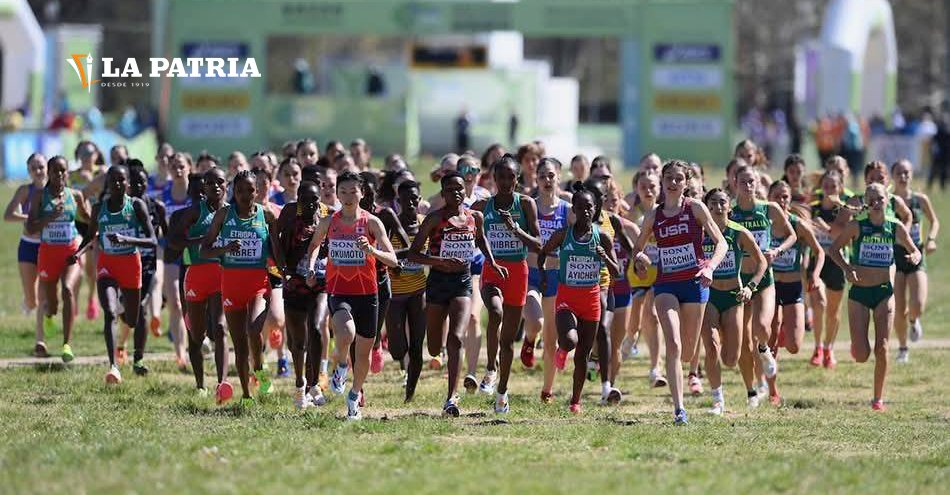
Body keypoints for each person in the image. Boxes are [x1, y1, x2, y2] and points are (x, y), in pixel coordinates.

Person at [631, 160, 727, 424]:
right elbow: (637, 248)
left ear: (686, 183)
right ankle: (679, 409)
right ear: (662, 181)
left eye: (678, 179)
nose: (673, 183)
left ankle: (691, 376)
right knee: (673, 344)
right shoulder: (654, 215)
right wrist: (640, 259)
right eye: (668, 178)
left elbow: (721, 243)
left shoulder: (695, 208)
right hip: (666, 285)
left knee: (687, 353)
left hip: (695, 284)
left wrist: (710, 267)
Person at [304, 171, 398, 420]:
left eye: (352, 191)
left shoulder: (372, 223)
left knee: (364, 355)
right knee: (346, 333)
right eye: (342, 191)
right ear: (337, 193)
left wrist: (372, 251)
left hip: (367, 294)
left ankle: (354, 395)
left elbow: (393, 259)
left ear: (362, 193)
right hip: (339, 290)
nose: (347, 197)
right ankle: (342, 365)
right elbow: (314, 245)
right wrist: (311, 267)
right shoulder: (329, 222)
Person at [408, 171, 499, 416]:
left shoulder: (474, 217)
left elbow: (481, 240)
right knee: (434, 346)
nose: (456, 193)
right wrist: (440, 262)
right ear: (443, 193)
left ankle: (451, 397)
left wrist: (492, 262)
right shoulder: (434, 219)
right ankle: (438, 353)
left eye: (459, 188)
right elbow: (413, 254)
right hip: (438, 283)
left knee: (457, 337)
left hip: (462, 282)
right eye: (450, 189)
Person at [828, 183, 921, 411]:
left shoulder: (895, 226)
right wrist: (847, 268)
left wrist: (915, 257)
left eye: (880, 198)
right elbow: (834, 249)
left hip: (883, 292)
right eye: (872, 199)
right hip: (859, 293)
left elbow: (915, 250)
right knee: (862, 355)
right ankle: (857, 345)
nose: (877, 202)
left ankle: (878, 399)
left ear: (887, 200)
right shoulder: (856, 226)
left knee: (883, 347)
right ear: (866, 203)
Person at [200, 170, 285, 405]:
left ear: (257, 191)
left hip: (258, 284)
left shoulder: (266, 215)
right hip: (231, 285)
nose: (245, 195)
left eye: (250, 190)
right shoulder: (223, 215)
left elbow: (276, 250)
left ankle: (259, 368)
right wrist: (225, 248)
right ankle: (246, 395)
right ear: (233, 192)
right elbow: (204, 250)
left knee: (254, 330)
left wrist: (285, 273)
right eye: (240, 191)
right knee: (239, 344)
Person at [537, 182, 621, 413]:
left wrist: (605, 257)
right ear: (573, 209)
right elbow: (542, 254)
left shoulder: (602, 237)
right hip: (567, 298)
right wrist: (543, 277)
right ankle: (562, 349)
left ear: (595, 209)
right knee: (570, 341)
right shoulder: (563, 234)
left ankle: (575, 401)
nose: (585, 211)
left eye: (589, 207)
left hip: (591, 300)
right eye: (581, 207)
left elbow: (616, 272)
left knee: (583, 355)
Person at [70, 165, 156, 383]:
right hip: (107, 264)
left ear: (127, 183)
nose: (117, 184)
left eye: (121, 180)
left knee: (133, 319)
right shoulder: (99, 208)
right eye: (113, 180)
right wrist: (77, 254)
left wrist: (127, 240)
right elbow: (90, 237)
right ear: (107, 184)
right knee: (109, 312)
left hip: (131, 264)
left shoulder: (135, 205)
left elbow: (152, 240)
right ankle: (113, 366)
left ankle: (137, 357)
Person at [471, 155, 542, 414]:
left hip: (518, 273)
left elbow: (538, 243)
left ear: (517, 178)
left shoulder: (526, 204)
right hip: (492, 268)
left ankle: (502, 391)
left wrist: (515, 230)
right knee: (495, 311)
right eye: (500, 177)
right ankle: (491, 368)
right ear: (493, 179)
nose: (505, 182)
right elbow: (469, 233)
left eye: (510, 177)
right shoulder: (483, 205)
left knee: (508, 341)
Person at [730, 165, 796, 407]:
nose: (748, 186)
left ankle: (764, 348)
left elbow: (792, 235)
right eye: (744, 181)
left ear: (758, 183)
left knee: (761, 327)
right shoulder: (729, 212)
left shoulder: (769, 209)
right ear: (735, 183)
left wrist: (777, 251)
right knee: (742, 342)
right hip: (739, 281)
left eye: (752, 181)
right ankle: (752, 390)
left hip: (764, 278)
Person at [698, 188, 766, 415]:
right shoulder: (700, 232)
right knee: (711, 346)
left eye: (722, 202)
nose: (718, 207)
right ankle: (717, 400)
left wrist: (750, 287)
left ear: (729, 206)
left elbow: (762, 263)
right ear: (706, 206)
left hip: (733, 297)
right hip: (708, 296)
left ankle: (751, 387)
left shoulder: (739, 232)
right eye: (713, 203)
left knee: (730, 358)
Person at [170, 167, 232, 402]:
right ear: (204, 188)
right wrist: (200, 241)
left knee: (220, 327)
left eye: (220, 182)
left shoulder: (233, 212)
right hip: (196, 274)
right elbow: (174, 241)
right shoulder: (196, 211)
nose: (215, 186)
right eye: (210, 183)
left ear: (227, 186)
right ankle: (200, 385)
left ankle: (222, 384)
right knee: (197, 335)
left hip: (222, 274)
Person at [26, 156, 90, 363]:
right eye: (55, 171)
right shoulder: (39, 196)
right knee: (51, 304)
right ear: (49, 173)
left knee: (68, 290)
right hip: (48, 254)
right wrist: (50, 217)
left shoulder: (75, 195)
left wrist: (98, 222)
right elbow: (30, 227)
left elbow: (88, 218)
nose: (60, 175)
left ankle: (66, 344)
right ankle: (49, 316)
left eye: (63, 170)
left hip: (70, 252)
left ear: (68, 173)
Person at [521, 158, 570, 404]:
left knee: (552, 340)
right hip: (532, 274)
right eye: (542, 176)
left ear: (559, 176)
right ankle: (529, 340)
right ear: (536, 179)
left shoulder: (568, 210)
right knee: (535, 322)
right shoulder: (529, 206)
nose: (547, 180)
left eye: (551, 175)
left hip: (555, 277)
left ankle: (547, 391)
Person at [275, 180, 327, 408]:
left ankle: (314, 383)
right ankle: (300, 385)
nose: (310, 204)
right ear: (298, 201)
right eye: (304, 200)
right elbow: (278, 246)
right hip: (295, 284)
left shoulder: (326, 221)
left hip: (319, 284)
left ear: (319, 199)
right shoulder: (291, 222)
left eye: (314, 199)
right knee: (298, 343)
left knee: (315, 328)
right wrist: (283, 269)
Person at [115, 161, 167, 364]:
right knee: (127, 313)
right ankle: (120, 344)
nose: (138, 186)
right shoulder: (121, 207)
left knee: (141, 310)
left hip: (147, 265)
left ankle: (139, 359)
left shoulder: (157, 207)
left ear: (148, 183)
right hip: (124, 262)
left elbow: (167, 236)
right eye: (134, 183)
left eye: (142, 182)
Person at [358, 171, 408, 377]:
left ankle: (377, 343)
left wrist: (389, 258)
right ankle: (357, 374)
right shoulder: (348, 218)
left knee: (374, 328)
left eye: (371, 195)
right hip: (355, 280)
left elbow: (406, 245)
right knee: (358, 330)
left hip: (380, 278)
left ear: (376, 193)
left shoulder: (384, 214)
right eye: (363, 195)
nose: (367, 200)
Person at [890, 159, 938, 362]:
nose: (903, 177)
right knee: (898, 307)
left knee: (918, 304)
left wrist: (931, 239)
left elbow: (934, 221)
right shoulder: (888, 201)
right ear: (892, 176)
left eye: (906, 173)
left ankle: (913, 319)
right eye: (899, 173)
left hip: (917, 254)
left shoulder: (920, 199)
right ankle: (903, 349)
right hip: (895, 256)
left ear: (911, 175)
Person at [624, 170, 666, 388]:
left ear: (660, 188)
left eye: (652, 186)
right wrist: (637, 260)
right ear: (636, 190)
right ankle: (630, 337)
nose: (648, 191)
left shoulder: (665, 212)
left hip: (660, 274)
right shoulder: (633, 215)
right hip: (638, 274)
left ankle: (655, 368)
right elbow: (625, 242)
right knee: (636, 318)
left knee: (654, 316)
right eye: (643, 187)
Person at [386, 181, 427, 399]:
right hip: (394, 295)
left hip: (419, 291)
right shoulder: (391, 224)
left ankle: (410, 392)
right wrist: (404, 256)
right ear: (398, 201)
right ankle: (401, 361)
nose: (410, 203)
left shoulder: (424, 223)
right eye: (405, 199)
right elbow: (383, 255)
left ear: (419, 200)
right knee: (397, 350)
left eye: (414, 199)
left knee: (417, 346)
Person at [4, 154, 48, 355]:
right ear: (29, 171)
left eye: (41, 166)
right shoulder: (25, 190)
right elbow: (8, 215)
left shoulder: (55, 190)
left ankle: (40, 341)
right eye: (33, 168)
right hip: (28, 246)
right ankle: (29, 302)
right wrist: (29, 217)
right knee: (32, 301)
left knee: (44, 297)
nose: (38, 171)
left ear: (47, 168)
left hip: (49, 246)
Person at [808, 171, 849, 368]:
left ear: (840, 188)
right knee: (819, 304)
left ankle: (829, 348)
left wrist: (823, 227)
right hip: (817, 263)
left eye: (834, 186)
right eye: (826, 186)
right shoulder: (813, 208)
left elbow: (838, 234)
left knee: (833, 311)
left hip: (837, 263)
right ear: (821, 187)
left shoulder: (844, 211)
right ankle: (817, 347)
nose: (830, 190)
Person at [163, 153, 193, 370]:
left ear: (190, 167)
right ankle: (180, 354)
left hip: (194, 254)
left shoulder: (197, 193)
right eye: (174, 166)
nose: (178, 170)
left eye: (182, 166)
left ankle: (198, 342)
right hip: (172, 253)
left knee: (193, 304)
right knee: (175, 302)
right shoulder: (163, 194)